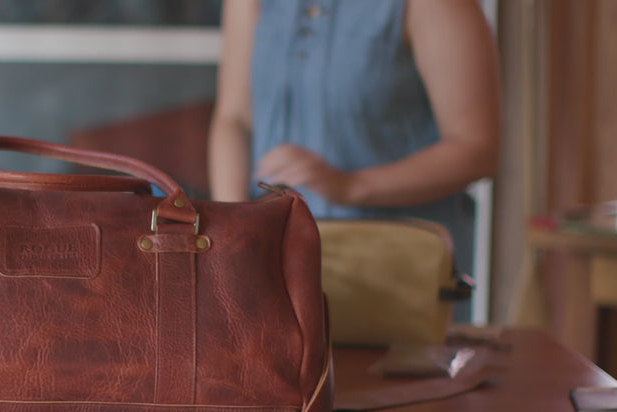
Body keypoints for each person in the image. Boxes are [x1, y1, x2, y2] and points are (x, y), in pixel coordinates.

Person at [208, 0, 500, 320]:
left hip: (394, 278)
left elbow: (478, 149)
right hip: (271, 269)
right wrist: (231, 235)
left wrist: (351, 186)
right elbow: (234, 118)